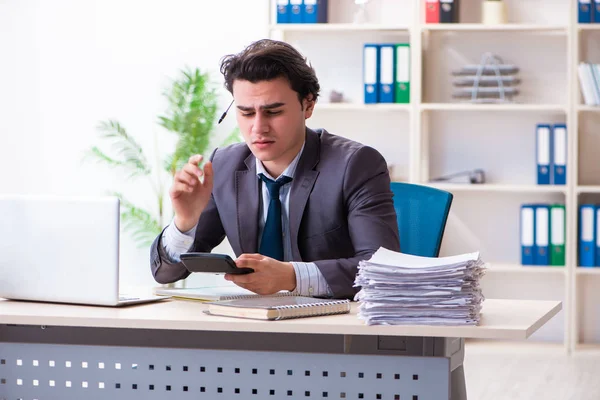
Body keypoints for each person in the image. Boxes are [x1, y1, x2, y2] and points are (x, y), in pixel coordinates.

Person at [150, 39, 400, 299]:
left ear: (308, 105)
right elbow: (166, 274)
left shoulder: (355, 165)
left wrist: (292, 277)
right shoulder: (224, 165)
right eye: (246, 113)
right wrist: (184, 223)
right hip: (255, 323)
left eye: (273, 112)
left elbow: (382, 271)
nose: (258, 128)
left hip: (335, 325)